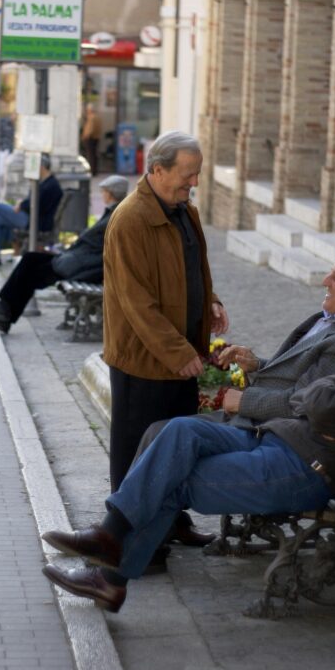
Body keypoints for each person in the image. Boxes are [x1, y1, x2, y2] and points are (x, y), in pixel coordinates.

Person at [40, 271, 335, 613]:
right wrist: (323, 393)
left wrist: (323, 394)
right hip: (282, 440)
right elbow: (322, 398)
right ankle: (110, 535)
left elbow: (321, 403)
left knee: (174, 477)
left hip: (304, 469)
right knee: (181, 431)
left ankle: (110, 575)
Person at [102, 131, 228, 554]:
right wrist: (178, 354)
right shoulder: (131, 219)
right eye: (187, 175)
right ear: (157, 170)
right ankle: (131, 541)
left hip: (179, 356)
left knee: (174, 451)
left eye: (196, 175)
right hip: (145, 361)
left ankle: (172, 521)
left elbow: (192, 269)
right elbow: (136, 302)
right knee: (138, 454)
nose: (192, 183)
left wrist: (210, 301)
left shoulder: (182, 211)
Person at [134, 250, 335, 457]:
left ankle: (127, 518)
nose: (325, 281)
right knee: (158, 432)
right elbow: (296, 375)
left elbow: (306, 400)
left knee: (167, 433)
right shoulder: (330, 319)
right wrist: (256, 365)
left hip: (268, 433)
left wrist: (244, 401)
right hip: (253, 421)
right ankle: (143, 517)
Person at [0, 175, 129, 333]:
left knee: (31, 270)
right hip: (76, 260)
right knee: (30, 259)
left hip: (82, 267)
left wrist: (67, 251)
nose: (102, 194)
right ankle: (3, 309)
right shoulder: (113, 213)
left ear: (110, 194)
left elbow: (90, 243)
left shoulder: (114, 216)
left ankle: (4, 312)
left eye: (103, 191)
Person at [0, 154, 63, 267]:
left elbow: (38, 206)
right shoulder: (44, 183)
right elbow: (33, 202)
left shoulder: (51, 185)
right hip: (31, 217)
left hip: (36, 222)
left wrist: (21, 205)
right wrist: (22, 203)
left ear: (42, 167)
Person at [81, 103, 103, 176]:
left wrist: (85, 136)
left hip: (90, 138)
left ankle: (91, 170)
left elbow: (90, 129)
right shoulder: (97, 117)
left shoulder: (91, 117)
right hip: (96, 138)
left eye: (88, 110)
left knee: (90, 155)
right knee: (94, 155)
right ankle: (94, 170)